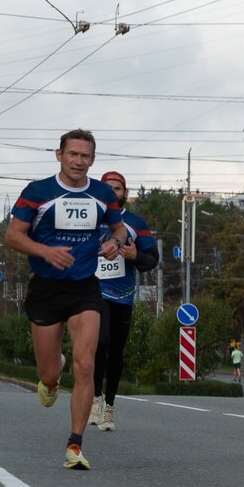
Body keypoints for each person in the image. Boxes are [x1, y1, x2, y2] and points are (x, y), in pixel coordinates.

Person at [6, 129, 126, 471]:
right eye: (73, 154)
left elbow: (118, 229)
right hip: (46, 288)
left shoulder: (103, 195)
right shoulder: (37, 192)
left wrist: (114, 244)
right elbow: (13, 236)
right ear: (59, 155)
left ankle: (75, 444)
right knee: (47, 374)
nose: (78, 161)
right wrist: (45, 250)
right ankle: (51, 376)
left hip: (84, 288)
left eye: (85, 156)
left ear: (92, 159)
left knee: (86, 364)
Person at [90, 170, 159, 433]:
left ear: (124, 193)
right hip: (94, 292)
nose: (113, 192)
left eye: (118, 188)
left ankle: (109, 406)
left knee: (116, 351)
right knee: (101, 342)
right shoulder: (90, 219)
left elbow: (153, 258)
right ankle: (96, 397)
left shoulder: (134, 222)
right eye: (108, 187)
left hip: (122, 296)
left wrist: (134, 255)